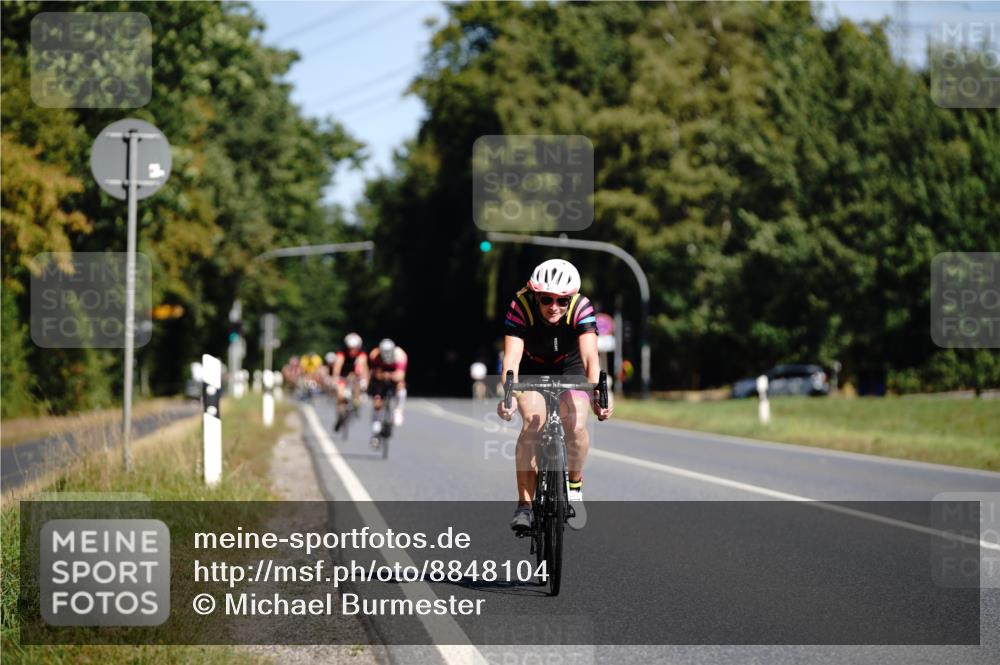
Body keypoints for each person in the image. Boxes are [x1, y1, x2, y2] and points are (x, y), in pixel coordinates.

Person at [496, 259, 613, 532]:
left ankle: (573, 487)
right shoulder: (520, 305)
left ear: (571, 298)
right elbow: (511, 360)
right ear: (535, 294)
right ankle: (524, 506)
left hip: (568, 365)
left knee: (576, 425)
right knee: (532, 425)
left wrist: (598, 395)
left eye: (562, 301)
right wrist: (509, 396)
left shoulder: (581, 306)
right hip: (530, 367)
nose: (554, 307)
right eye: (547, 299)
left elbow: (590, 359)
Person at [368, 338, 408, 444]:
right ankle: (376, 428)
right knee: (377, 402)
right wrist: (381, 376)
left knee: (401, 386)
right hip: (379, 378)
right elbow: (374, 373)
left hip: (394, 375)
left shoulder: (400, 355)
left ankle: (398, 410)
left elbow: (400, 375)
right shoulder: (374, 355)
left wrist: (389, 376)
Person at [333, 333, 369, 432]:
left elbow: (363, 367)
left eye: (355, 348)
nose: (352, 351)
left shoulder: (361, 354)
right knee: (340, 395)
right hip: (343, 373)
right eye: (350, 348)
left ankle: (356, 401)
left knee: (357, 379)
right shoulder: (342, 353)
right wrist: (335, 377)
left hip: (355, 373)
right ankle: (340, 415)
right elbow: (337, 365)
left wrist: (364, 381)